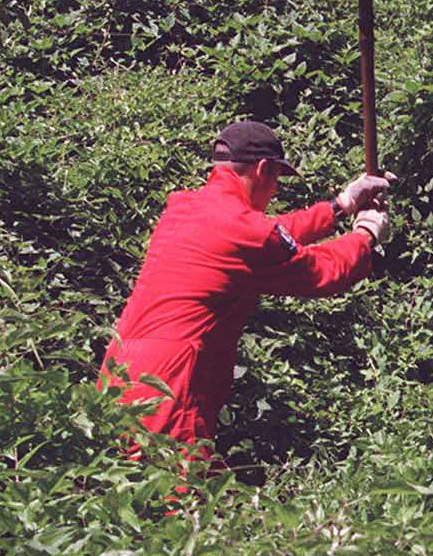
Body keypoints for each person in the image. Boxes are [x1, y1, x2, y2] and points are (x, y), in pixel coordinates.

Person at [100, 121, 392, 499]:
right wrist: (364, 235)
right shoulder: (247, 233)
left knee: (118, 502)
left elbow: (271, 233)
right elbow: (323, 273)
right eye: (276, 180)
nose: (273, 192)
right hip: (171, 385)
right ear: (262, 171)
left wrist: (341, 205)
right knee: (175, 515)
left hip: (118, 375)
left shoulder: (184, 208)